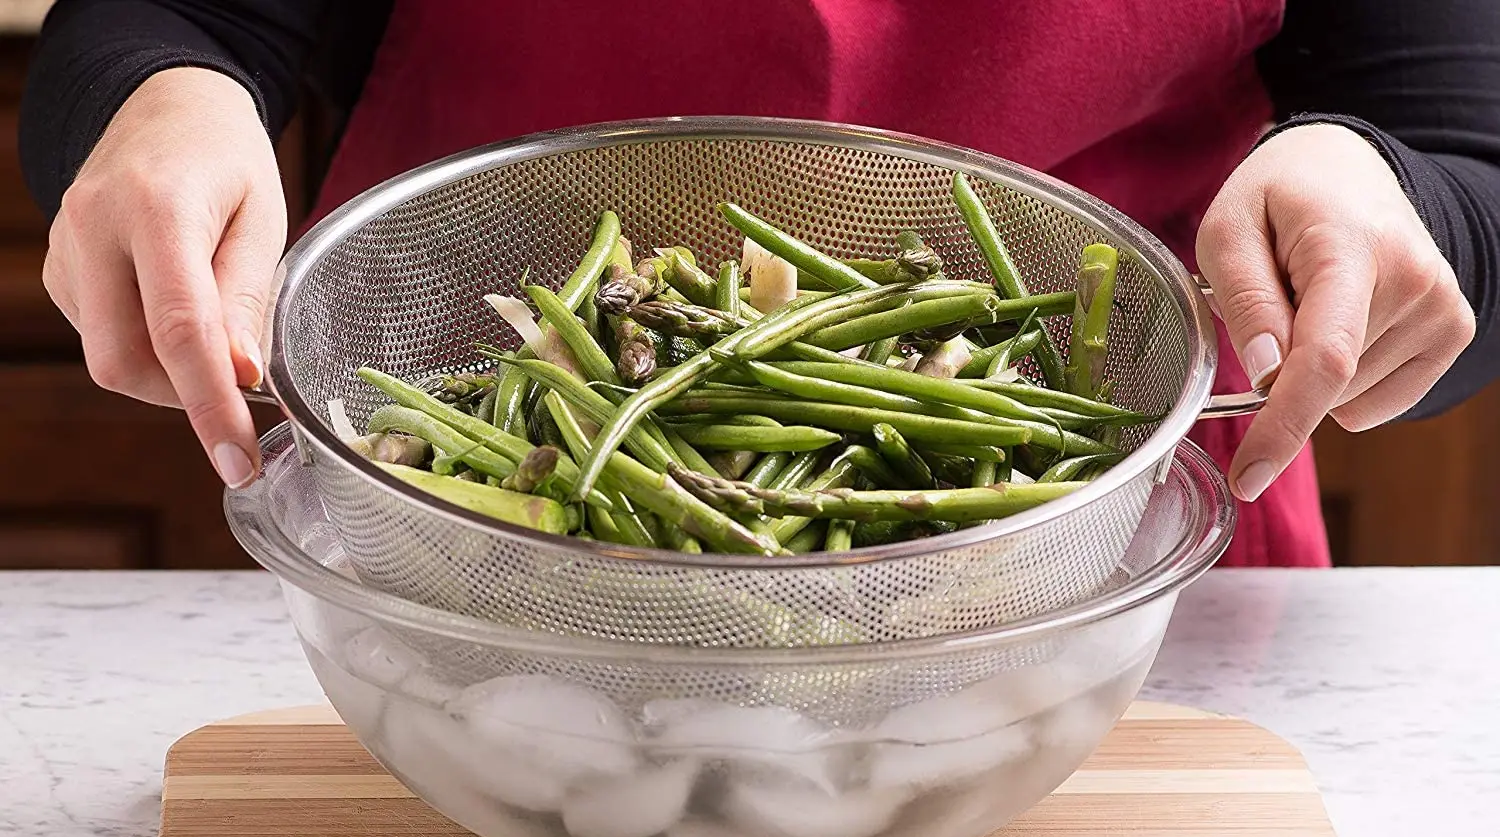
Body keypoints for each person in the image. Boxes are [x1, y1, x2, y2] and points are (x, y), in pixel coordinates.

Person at [19, 1, 1499, 567]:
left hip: (1094, 559)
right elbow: (167, 15)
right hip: (478, 551)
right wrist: (164, 96)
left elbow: (1466, 155)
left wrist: (1392, 203)